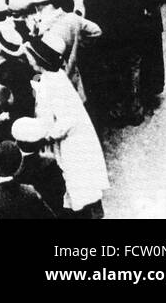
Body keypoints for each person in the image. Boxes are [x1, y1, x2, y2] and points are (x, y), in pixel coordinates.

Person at [25, 40, 109, 218]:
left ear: (37, 59)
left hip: (71, 142)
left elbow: (67, 119)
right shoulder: (54, 76)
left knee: (79, 183)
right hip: (75, 138)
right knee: (84, 183)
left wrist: (48, 135)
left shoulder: (51, 83)